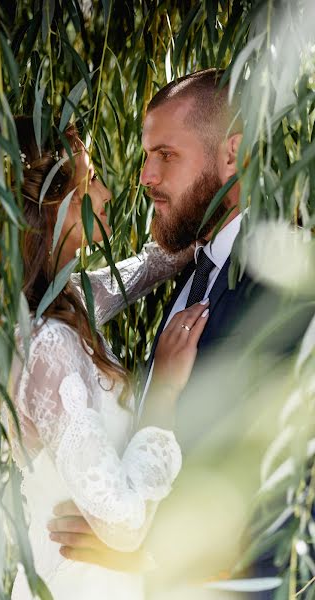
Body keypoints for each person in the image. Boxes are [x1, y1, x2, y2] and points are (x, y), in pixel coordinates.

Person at [47, 70, 313, 599]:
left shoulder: (289, 284)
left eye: (166, 155)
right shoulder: (195, 270)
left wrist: (149, 553)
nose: (144, 177)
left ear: (232, 156)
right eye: (147, 156)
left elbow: (289, 498)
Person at [0, 116, 210, 600]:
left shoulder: (61, 303)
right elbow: (123, 521)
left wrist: (214, 214)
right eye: (92, 179)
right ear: (53, 205)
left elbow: (148, 268)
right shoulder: (48, 343)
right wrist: (163, 388)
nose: (106, 194)